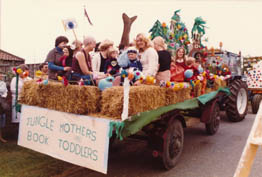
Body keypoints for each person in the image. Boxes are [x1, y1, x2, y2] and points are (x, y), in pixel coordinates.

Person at [0, 74, 8, 143]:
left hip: (1, 102)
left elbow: (5, 91)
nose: (1, 76)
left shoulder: (3, 83)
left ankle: (0, 137)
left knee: (1, 119)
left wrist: (3, 95)